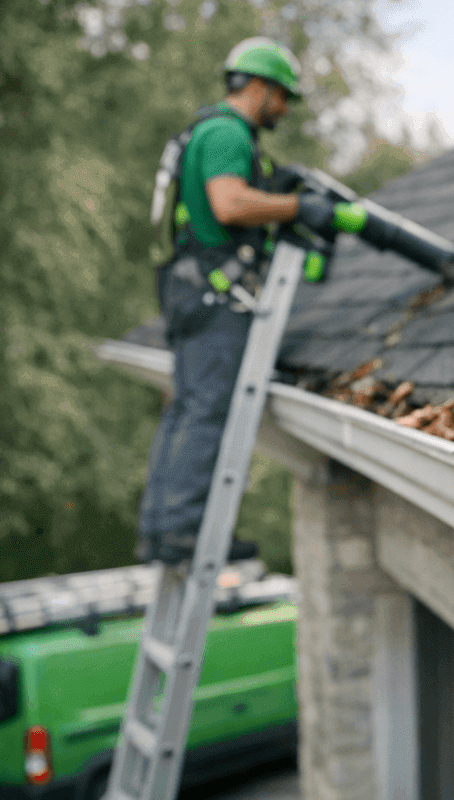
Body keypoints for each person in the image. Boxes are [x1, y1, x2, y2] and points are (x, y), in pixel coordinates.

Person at [137, 38, 360, 565]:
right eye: (282, 96)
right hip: (214, 296)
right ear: (259, 87)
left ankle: (162, 527)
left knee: (188, 408)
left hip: (188, 288)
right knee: (208, 408)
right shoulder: (227, 132)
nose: (282, 109)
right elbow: (230, 203)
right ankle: (186, 531)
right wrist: (298, 208)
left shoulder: (206, 130)